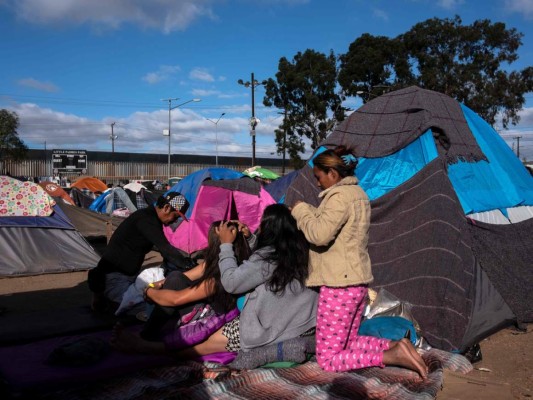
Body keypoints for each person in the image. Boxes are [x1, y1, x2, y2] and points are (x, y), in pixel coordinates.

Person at [112, 204, 318, 360]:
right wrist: (250, 239)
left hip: (267, 325)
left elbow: (180, 298)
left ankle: (146, 344)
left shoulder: (258, 261)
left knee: (201, 344)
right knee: (175, 278)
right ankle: (149, 336)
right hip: (299, 319)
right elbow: (192, 274)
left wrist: (148, 292)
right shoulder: (297, 252)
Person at [290, 145, 428, 378]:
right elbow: (333, 227)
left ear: (332, 174)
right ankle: (394, 346)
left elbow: (319, 234)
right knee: (348, 343)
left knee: (328, 359)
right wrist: (312, 212)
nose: (317, 183)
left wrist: (301, 210)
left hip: (338, 287)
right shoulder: (358, 195)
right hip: (355, 284)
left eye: (319, 177)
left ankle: (390, 356)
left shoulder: (339, 197)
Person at [140, 220, 252, 341]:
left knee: (173, 283)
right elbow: (187, 275)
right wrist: (158, 284)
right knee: (175, 277)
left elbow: (176, 299)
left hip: (212, 318)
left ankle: (146, 335)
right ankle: (150, 330)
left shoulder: (220, 278)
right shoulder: (230, 262)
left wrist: (149, 292)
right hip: (209, 307)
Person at [88, 192, 195, 313]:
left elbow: (164, 249)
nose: (174, 221)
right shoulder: (146, 220)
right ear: (166, 208)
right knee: (151, 310)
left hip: (126, 276)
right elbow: (165, 248)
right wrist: (187, 265)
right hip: (115, 278)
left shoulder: (150, 218)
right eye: (175, 216)